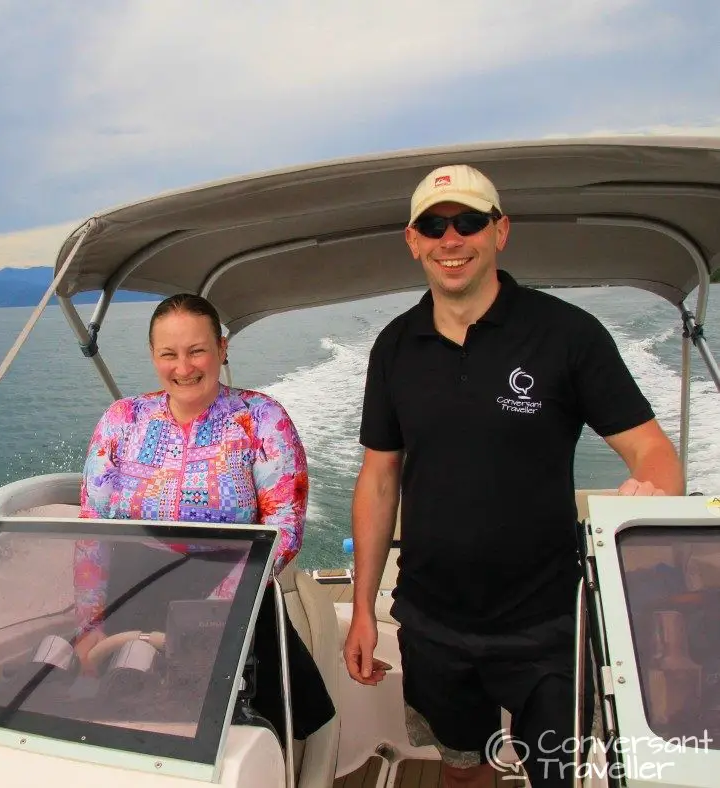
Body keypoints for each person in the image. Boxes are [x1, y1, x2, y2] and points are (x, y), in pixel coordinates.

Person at [342, 164, 684, 788]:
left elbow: (655, 454)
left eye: (469, 222)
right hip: (431, 620)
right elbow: (379, 479)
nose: (452, 239)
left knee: (555, 773)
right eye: (434, 225)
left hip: (549, 623)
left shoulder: (565, 334)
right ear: (412, 239)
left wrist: (649, 492)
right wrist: (363, 608)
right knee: (461, 768)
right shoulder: (394, 348)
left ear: (501, 232)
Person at [75, 292, 335, 740]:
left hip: (237, 595)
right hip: (136, 594)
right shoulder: (121, 420)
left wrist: (213, 614)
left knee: (249, 736)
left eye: (197, 350)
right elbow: (92, 532)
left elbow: (284, 528)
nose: (184, 367)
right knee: (136, 730)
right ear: (152, 355)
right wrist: (88, 623)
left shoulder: (262, 419)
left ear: (222, 348)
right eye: (168, 354)